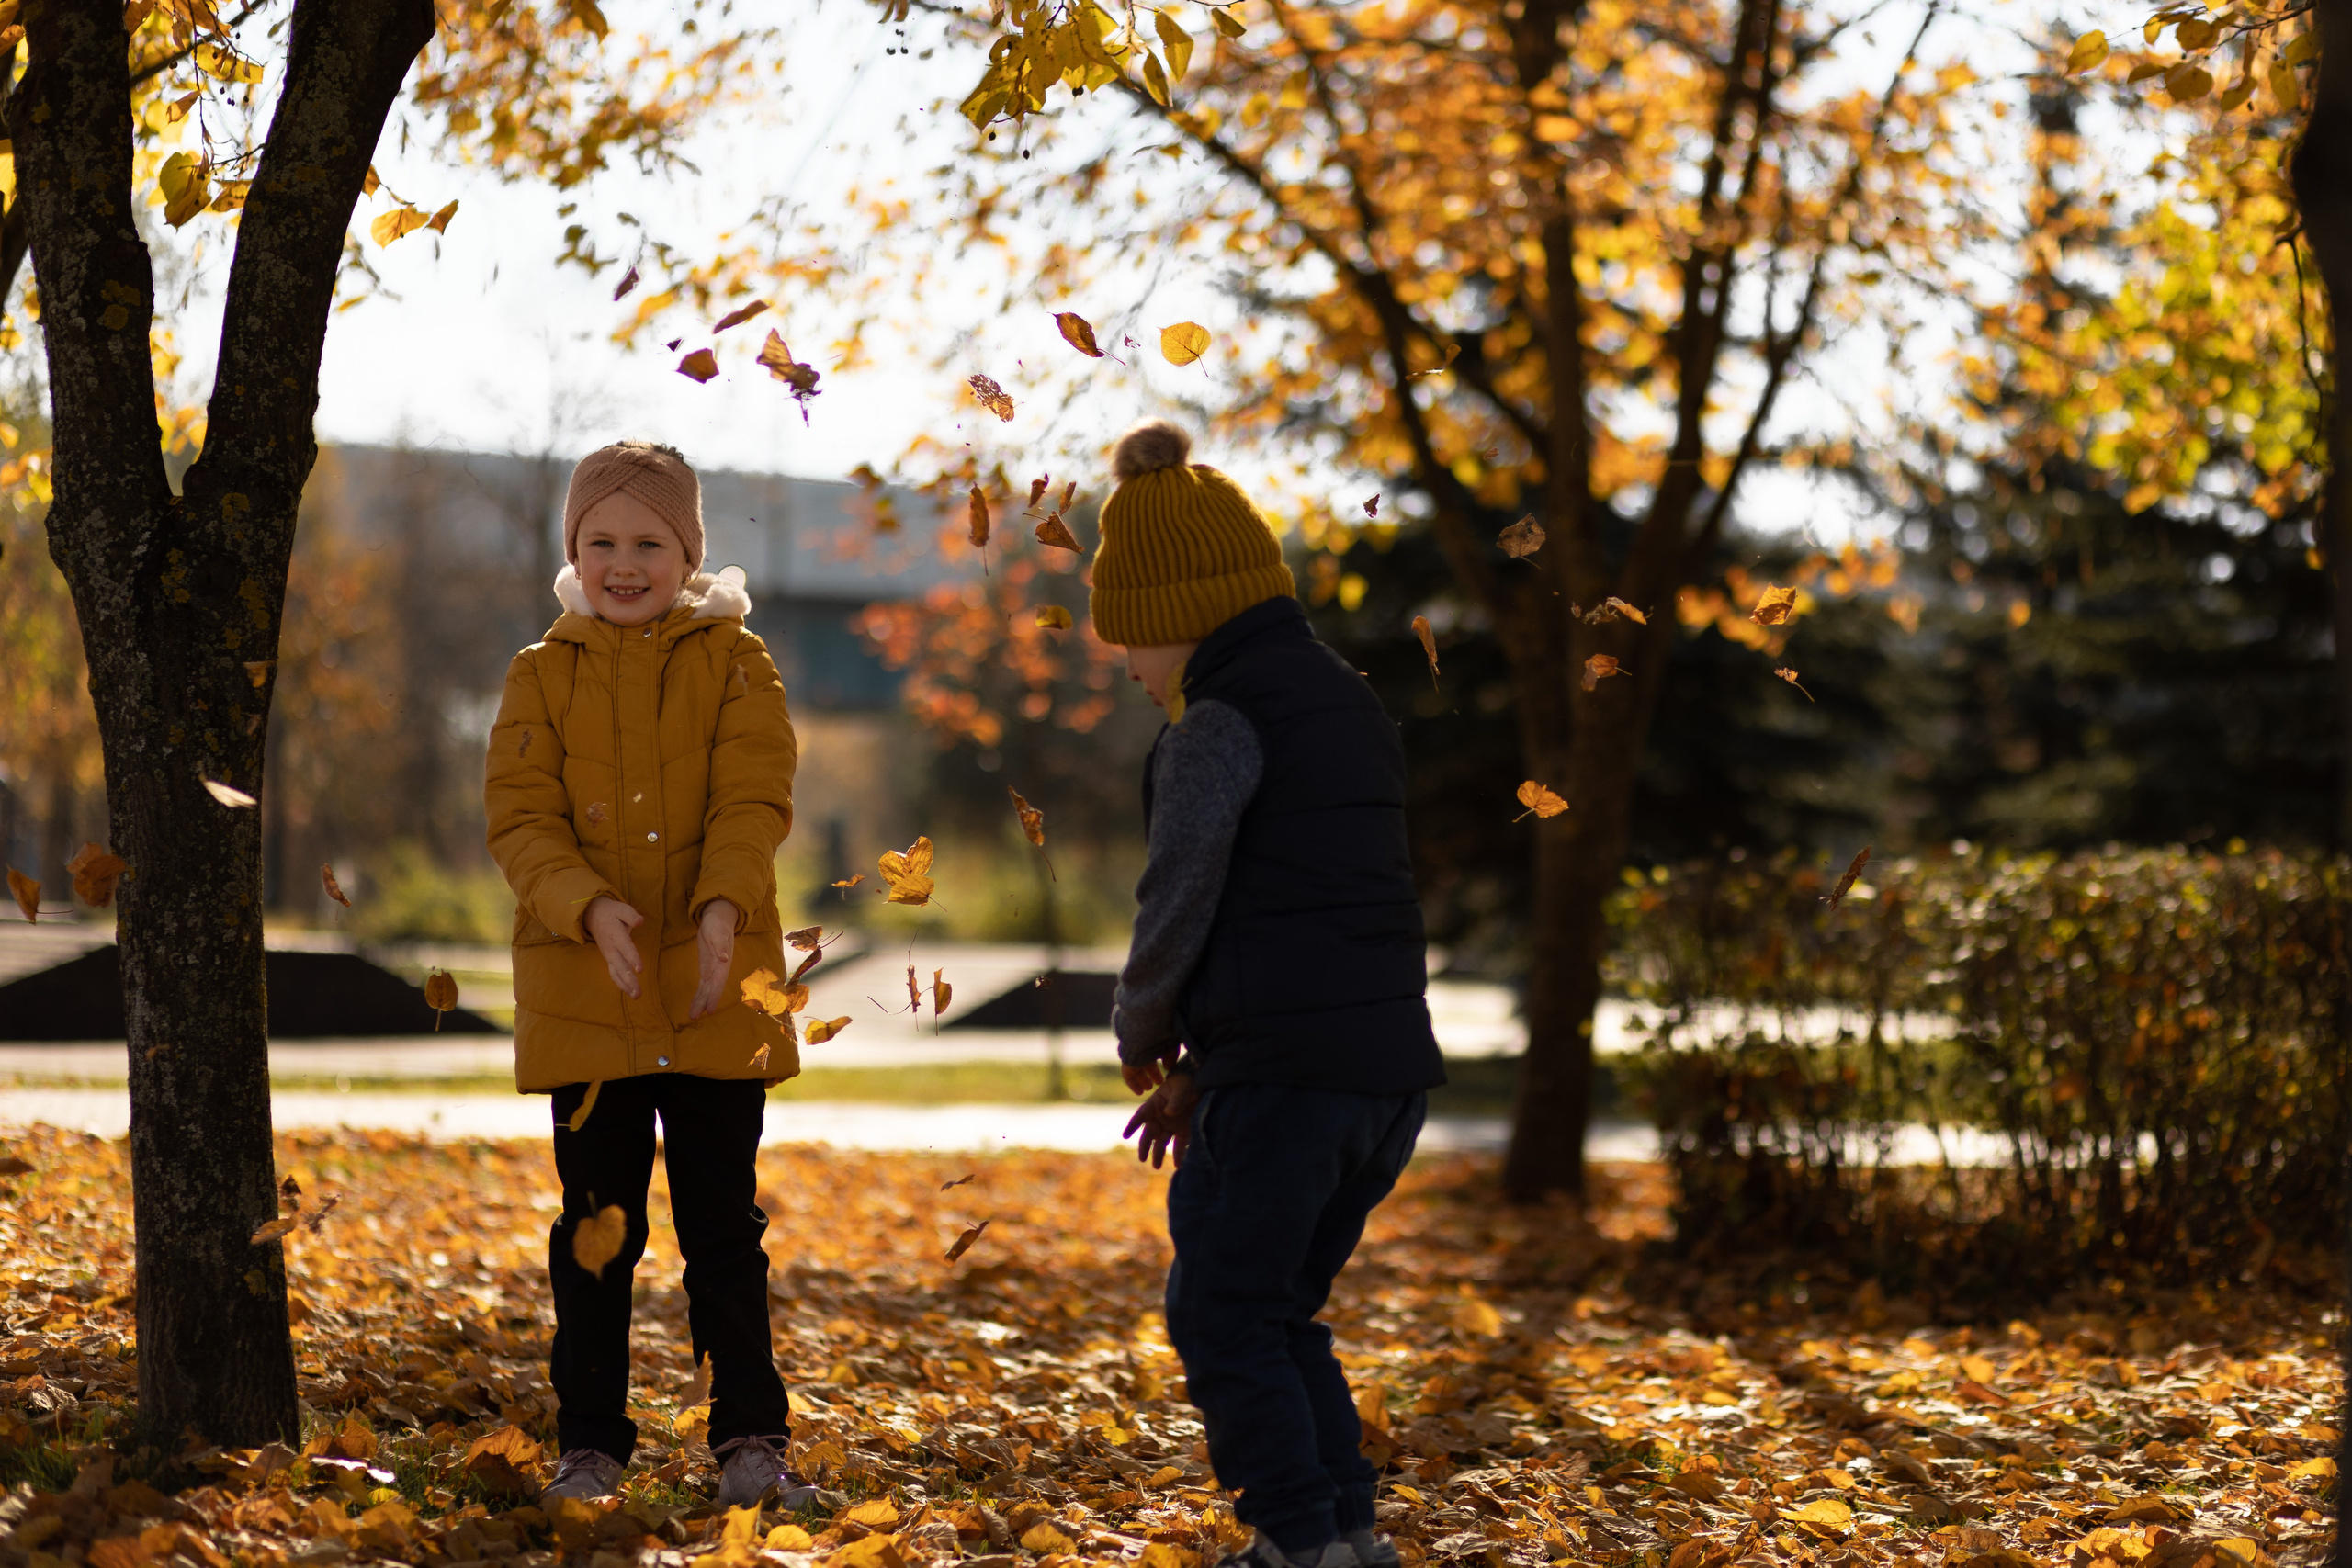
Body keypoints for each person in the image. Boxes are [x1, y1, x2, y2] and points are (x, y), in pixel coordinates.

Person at [1095, 420, 1446, 1568]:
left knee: (1220, 1315)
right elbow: (1310, 924)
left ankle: (1294, 1540)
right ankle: (1345, 1533)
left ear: (1170, 615)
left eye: (1131, 645)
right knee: (1280, 1309)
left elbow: (1180, 895)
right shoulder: (1341, 699)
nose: (1133, 671)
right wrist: (1213, 1067)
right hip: (1380, 1077)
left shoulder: (1218, 723)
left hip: (1290, 1085)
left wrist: (1143, 1028)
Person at [485, 439, 820, 1509]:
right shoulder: (540, 673)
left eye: (649, 543)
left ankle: (751, 1443)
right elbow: (519, 818)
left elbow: (754, 795)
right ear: (573, 554)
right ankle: (590, 1444)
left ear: (688, 555)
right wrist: (582, 904)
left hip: (716, 993)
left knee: (724, 1231)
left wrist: (723, 905)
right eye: (601, 542)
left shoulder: (738, 662)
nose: (623, 563)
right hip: (589, 994)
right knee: (594, 1233)